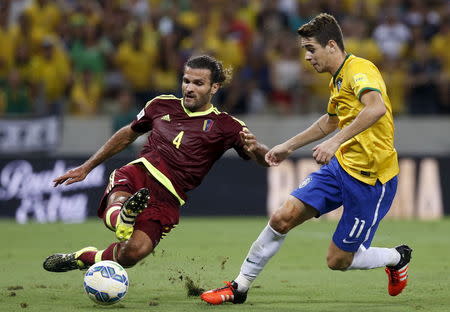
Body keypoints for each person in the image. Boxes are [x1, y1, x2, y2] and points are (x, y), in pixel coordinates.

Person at [200, 13, 412, 305]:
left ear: (332, 46)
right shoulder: (337, 80)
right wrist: (288, 146)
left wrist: (335, 142)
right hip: (341, 170)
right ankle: (240, 286)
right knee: (282, 217)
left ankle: (397, 257)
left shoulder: (360, 70)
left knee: (338, 260)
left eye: (311, 49)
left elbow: (374, 108)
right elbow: (329, 120)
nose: (308, 57)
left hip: (372, 179)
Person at [43, 55, 269, 272]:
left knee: (130, 254)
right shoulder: (161, 105)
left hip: (169, 197)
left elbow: (265, 160)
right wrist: (86, 167)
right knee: (118, 206)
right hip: (140, 173)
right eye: (186, 81)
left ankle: (83, 257)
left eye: (198, 83)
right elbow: (127, 135)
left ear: (214, 88)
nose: (189, 88)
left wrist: (257, 149)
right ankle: (122, 216)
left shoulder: (227, 125)